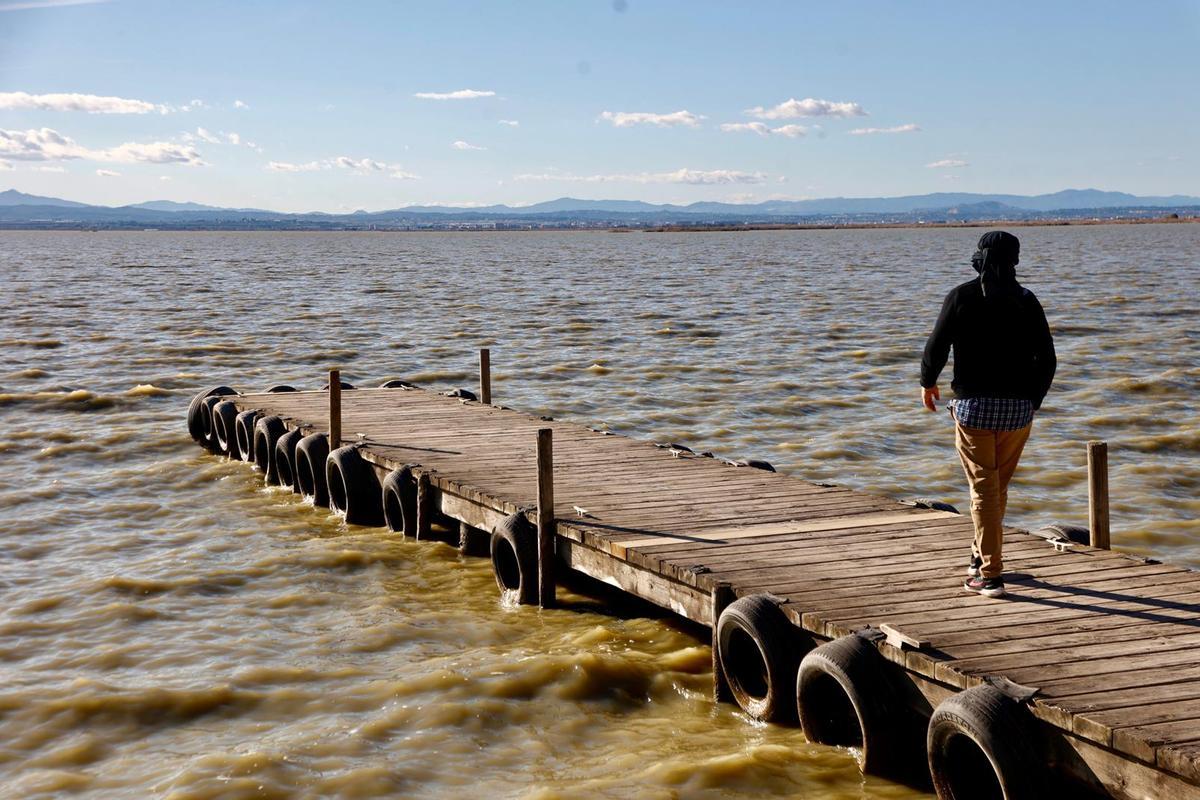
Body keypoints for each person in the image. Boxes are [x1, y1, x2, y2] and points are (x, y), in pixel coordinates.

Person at [920, 231, 1056, 598]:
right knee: (996, 488)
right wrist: (1033, 401)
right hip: (1017, 412)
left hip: (973, 409)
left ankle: (991, 575)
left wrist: (927, 382)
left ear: (980, 257)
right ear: (1014, 260)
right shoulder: (1027, 301)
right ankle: (980, 556)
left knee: (983, 490)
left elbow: (936, 345)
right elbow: (1047, 359)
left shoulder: (961, 296)